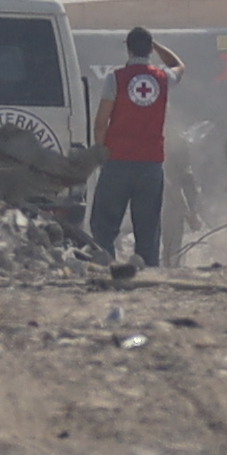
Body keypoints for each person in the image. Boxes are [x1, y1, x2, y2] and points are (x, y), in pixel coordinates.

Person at [87, 23, 179, 272]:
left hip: (117, 161)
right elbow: (178, 65)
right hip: (151, 164)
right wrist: (155, 44)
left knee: (104, 225)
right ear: (150, 50)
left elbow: (100, 122)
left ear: (127, 50)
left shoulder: (115, 78)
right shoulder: (162, 78)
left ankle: (105, 271)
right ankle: (149, 276)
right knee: (148, 228)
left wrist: (100, 151)